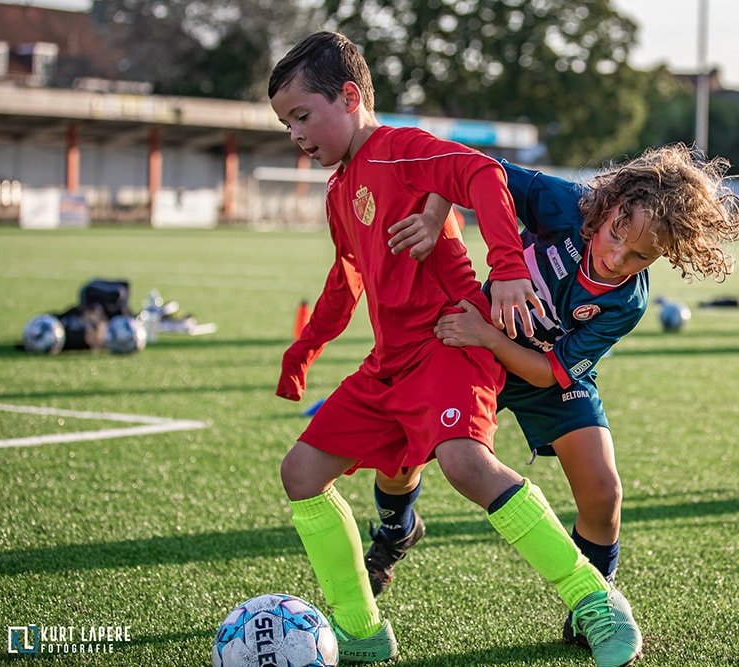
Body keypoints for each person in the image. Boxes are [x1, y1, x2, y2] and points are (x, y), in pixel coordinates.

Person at [268, 31, 642, 667]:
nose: (296, 134)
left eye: (303, 116)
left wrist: (508, 266)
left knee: (466, 466)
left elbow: (481, 171)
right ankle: (361, 632)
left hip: (450, 339)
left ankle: (595, 601)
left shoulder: (400, 150)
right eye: (286, 123)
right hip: (389, 363)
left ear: (351, 97)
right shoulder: (340, 191)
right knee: (300, 474)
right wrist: (304, 351)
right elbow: (345, 278)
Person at [365, 144, 739, 647]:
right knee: (398, 454)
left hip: (533, 362)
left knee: (603, 493)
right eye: (617, 235)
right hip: (477, 345)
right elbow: (469, 168)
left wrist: (490, 336)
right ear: (607, 205)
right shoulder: (569, 205)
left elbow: (551, 373)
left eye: (641, 255)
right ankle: (396, 530)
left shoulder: (626, 302)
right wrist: (436, 215)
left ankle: (593, 599)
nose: (618, 258)